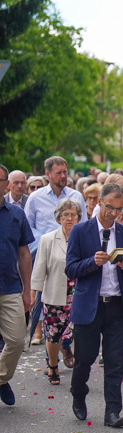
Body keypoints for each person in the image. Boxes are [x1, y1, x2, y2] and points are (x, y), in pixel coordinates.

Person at [65, 183, 123, 427]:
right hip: (89, 304)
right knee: (84, 359)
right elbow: (70, 268)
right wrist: (91, 263)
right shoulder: (80, 230)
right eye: (109, 207)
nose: (114, 213)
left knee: (114, 361)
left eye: (119, 208)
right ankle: (78, 394)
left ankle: (113, 412)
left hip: (115, 304)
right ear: (99, 202)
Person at [31, 199, 80, 384]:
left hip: (78, 295)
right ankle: (52, 364)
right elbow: (39, 268)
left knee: (78, 333)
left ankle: (78, 367)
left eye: (73, 215)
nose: (69, 218)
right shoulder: (48, 239)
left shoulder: (83, 238)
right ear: (59, 218)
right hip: (55, 293)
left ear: (78, 217)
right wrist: (34, 293)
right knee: (53, 333)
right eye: (65, 215)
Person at [0, 165, 34, 406]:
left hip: (10, 287)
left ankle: (1, 379)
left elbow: (24, 253)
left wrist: (27, 289)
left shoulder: (16, 214)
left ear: (6, 185)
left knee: (17, 340)